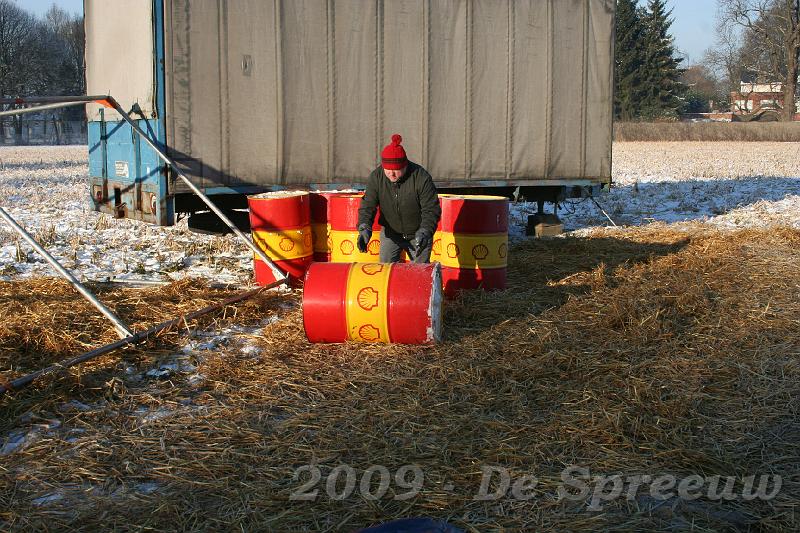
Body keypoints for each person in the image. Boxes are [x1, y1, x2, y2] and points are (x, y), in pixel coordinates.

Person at [357, 134, 441, 263]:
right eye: (387, 169)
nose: (391, 173)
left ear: (405, 165)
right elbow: (368, 205)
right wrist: (364, 227)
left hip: (418, 233)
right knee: (386, 272)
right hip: (390, 233)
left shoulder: (421, 177)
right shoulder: (376, 177)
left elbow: (431, 209)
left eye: (396, 169)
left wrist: (425, 231)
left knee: (419, 273)